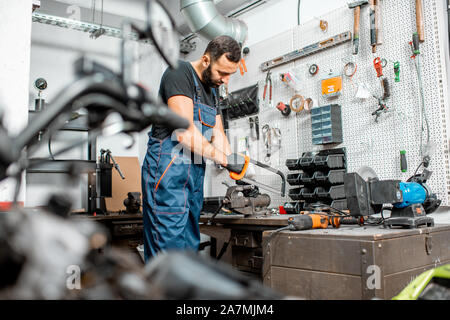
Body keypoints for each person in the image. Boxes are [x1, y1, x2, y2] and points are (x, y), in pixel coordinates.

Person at [142, 35, 246, 261]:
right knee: (168, 251)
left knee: (189, 250)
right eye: (223, 73)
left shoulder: (213, 89)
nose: (226, 80)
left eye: (231, 75)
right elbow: (185, 133)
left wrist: (233, 161)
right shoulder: (178, 72)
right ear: (206, 60)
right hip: (167, 177)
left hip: (192, 182)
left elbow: (217, 133)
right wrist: (224, 159)